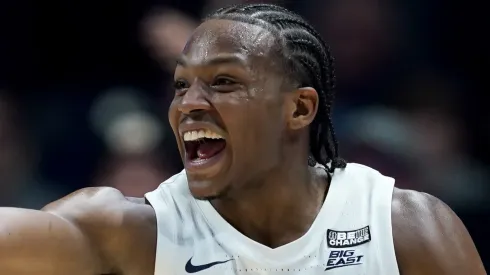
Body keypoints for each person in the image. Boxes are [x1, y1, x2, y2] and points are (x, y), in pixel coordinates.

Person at [0, 4, 486, 275]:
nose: (188, 102)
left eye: (225, 82)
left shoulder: (400, 226)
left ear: (298, 109)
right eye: (180, 85)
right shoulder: (130, 230)